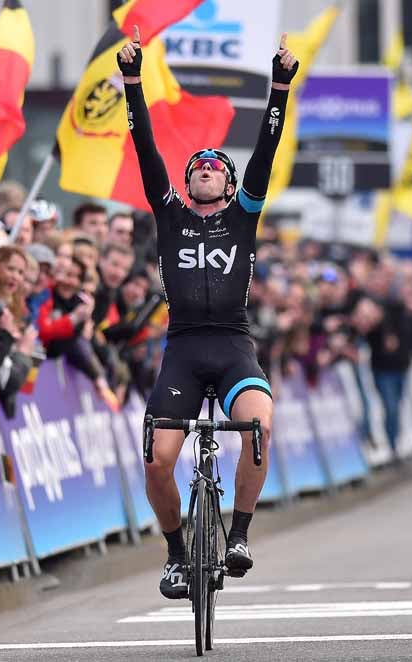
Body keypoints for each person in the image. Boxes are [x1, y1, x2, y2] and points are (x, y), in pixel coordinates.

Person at [119, 25, 297, 598]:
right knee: (156, 461)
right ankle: (175, 555)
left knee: (259, 424)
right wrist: (132, 82)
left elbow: (265, 150)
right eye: (196, 165)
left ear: (229, 181)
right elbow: (146, 149)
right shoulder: (168, 214)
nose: (205, 168)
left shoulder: (244, 215)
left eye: (216, 165)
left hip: (233, 344)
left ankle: (239, 533)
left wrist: (279, 88)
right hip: (183, 348)